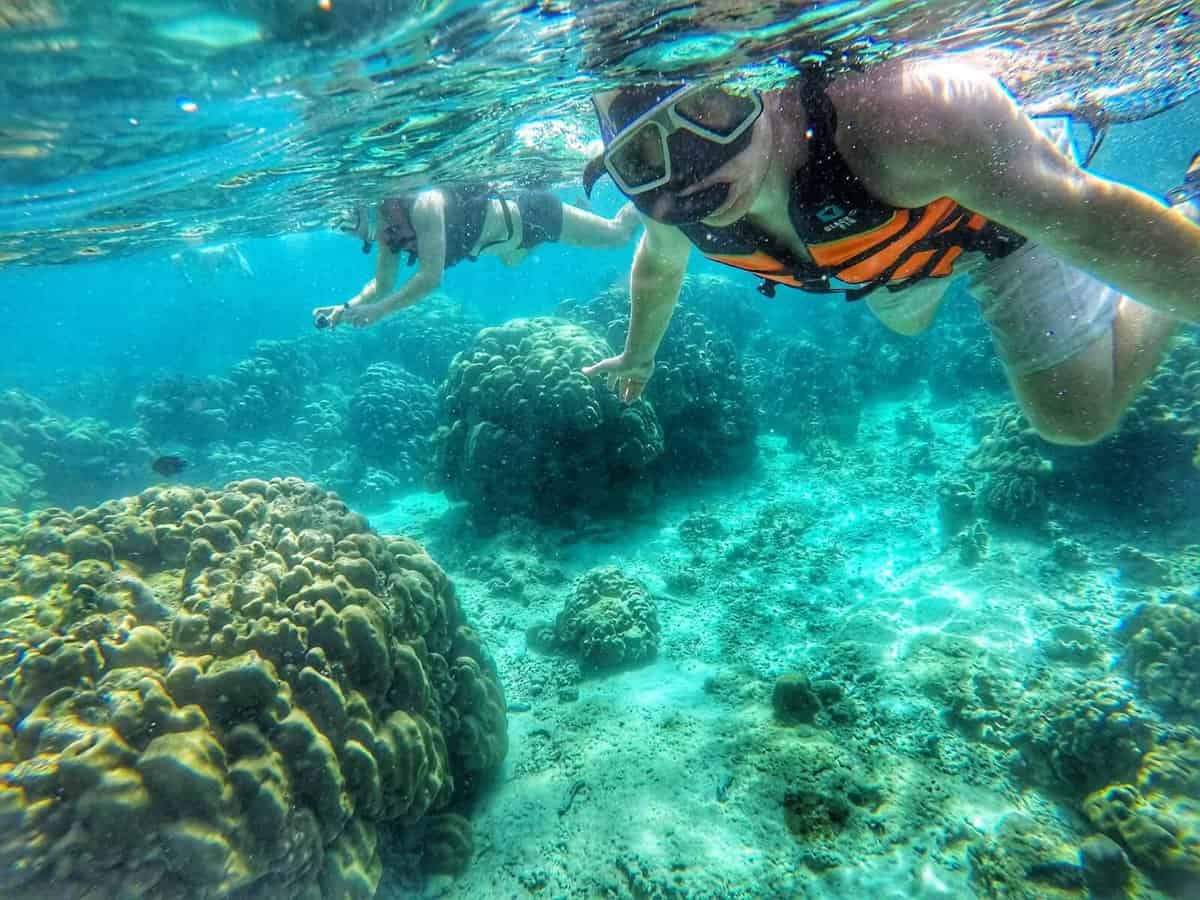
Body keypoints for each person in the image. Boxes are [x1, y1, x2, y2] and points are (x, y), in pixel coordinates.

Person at [580, 59, 1200, 446]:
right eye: (641, 155)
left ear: (761, 84)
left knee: (1075, 418)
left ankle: (1190, 202)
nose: (692, 174)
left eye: (708, 109)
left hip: (997, 216)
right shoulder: (668, 202)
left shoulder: (904, 118)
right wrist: (639, 357)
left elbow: (1091, 220)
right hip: (894, 257)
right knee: (904, 321)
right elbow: (660, 264)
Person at [314, 184, 640, 329]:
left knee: (618, 236)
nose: (375, 235)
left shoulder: (423, 204)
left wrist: (380, 312)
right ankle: (578, 218)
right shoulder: (388, 229)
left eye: (363, 223)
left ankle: (646, 198)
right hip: (507, 246)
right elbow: (382, 284)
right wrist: (347, 307)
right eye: (362, 235)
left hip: (531, 215)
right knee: (511, 260)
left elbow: (430, 277)